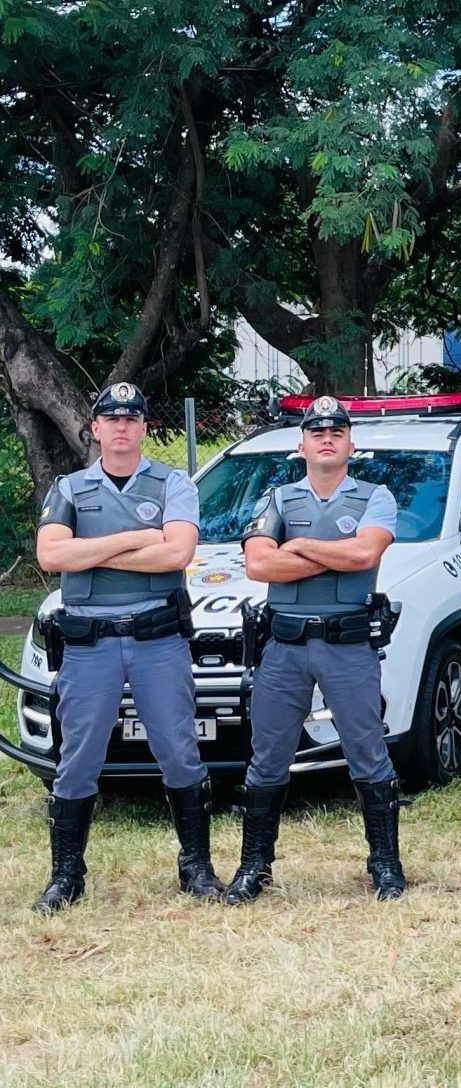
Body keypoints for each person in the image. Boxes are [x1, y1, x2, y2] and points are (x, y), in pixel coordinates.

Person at [32, 382, 216, 912]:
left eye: (131, 419)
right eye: (111, 419)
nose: (121, 426)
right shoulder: (70, 488)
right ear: (95, 429)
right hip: (90, 644)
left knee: (179, 751)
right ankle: (67, 875)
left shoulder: (172, 484)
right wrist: (137, 539)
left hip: (156, 640)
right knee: (78, 758)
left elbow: (177, 553)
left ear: (142, 428)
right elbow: (50, 555)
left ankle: (196, 866)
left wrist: (86, 553)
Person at [228, 396, 406, 902]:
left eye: (337, 431)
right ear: (301, 444)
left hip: (347, 643)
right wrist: (336, 556)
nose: (327, 438)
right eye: (316, 432)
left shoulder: (376, 496)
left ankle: (385, 864)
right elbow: (261, 566)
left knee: (368, 754)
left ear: (351, 443)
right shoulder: (278, 499)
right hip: (284, 647)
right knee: (267, 758)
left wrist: (299, 546)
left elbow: (366, 552)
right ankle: (254, 867)